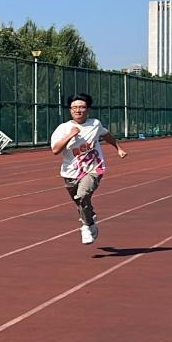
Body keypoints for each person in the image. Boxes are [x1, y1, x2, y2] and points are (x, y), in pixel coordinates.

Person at [50, 93, 128, 245]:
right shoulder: (63, 128)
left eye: (81, 107)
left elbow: (106, 135)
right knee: (80, 202)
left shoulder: (95, 124)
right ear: (70, 110)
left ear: (88, 109)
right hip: (70, 172)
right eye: (74, 107)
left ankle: (86, 227)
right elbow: (55, 150)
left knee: (82, 195)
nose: (78, 110)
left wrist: (118, 148)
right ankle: (90, 220)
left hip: (93, 168)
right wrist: (70, 135)